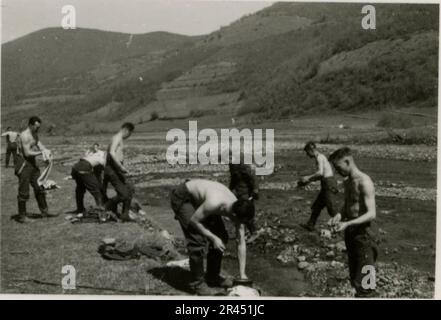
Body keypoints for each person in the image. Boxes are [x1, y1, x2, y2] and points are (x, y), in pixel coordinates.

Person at [170, 179, 253, 295]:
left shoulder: (239, 208)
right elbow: (195, 221)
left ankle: (212, 277)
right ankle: (197, 284)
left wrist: (242, 274)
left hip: (202, 200)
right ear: (233, 215)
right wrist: (213, 238)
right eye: (238, 221)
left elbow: (241, 242)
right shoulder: (215, 203)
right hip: (184, 197)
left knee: (222, 236)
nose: (239, 224)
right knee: (197, 240)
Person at [328, 147, 378, 298]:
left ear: (348, 161)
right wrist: (339, 215)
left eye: (338, 167)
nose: (337, 171)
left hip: (365, 235)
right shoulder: (347, 182)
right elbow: (348, 205)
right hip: (351, 234)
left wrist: (348, 223)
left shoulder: (364, 181)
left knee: (366, 283)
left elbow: (371, 214)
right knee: (355, 276)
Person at [15, 116, 57, 223]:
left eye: (39, 127)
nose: (37, 129)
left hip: (32, 163)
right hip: (23, 164)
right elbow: (27, 153)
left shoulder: (34, 134)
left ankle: (44, 211)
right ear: (30, 125)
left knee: (40, 186)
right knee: (24, 191)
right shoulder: (25, 135)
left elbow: (38, 144)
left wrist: (46, 150)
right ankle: (22, 216)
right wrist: (41, 153)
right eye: (36, 127)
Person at [299, 142, 338, 231]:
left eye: (307, 152)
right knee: (317, 206)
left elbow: (320, 173)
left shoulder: (320, 157)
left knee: (331, 208)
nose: (307, 155)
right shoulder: (320, 157)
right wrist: (308, 180)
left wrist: (308, 178)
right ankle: (310, 225)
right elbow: (321, 175)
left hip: (329, 184)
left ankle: (342, 226)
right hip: (326, 183)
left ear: (311, 150)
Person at [103, 123, 135, 222]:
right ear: (127, 131)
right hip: (113, 170)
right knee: (124, 195)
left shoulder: (118, 138)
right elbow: (112, 152)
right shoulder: (117, 137)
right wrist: (120, 167)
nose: (129, 136)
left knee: (130, 189)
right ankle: (107, 206)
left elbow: (106, 154)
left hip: (115, 170)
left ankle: (125, 214)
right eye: (130, 134)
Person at [229, 156, 262, 243]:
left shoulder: (244, 163)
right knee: (238, 211)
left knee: (246, 212)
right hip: (238, 190)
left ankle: (254, 231)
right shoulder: (232, 164)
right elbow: (233, 177)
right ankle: (243, 231)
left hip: (246, 191)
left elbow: (253, 178)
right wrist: (229, 190)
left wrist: (255, 190)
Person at [71, 146, 106, 214]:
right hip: (84, 166)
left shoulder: (93, 155)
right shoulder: (103, 158)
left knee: (80, 189)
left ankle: (80, 209)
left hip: (75, 167)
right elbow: (98, 175)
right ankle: (101, 209)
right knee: (96, 189)